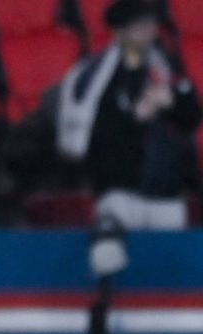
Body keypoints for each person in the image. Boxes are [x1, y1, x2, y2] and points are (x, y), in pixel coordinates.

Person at [57, 0, 202, 254]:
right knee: (109, 248)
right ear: (120, 32)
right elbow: (87, 141)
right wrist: (136, 117)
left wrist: (172, 102)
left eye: (151, 25)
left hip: (166, 193)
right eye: (139, 26)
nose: (148, 32)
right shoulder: (97, 78)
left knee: (171, 261)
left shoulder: (166, 67)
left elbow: (192, 119)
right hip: (119, 192)